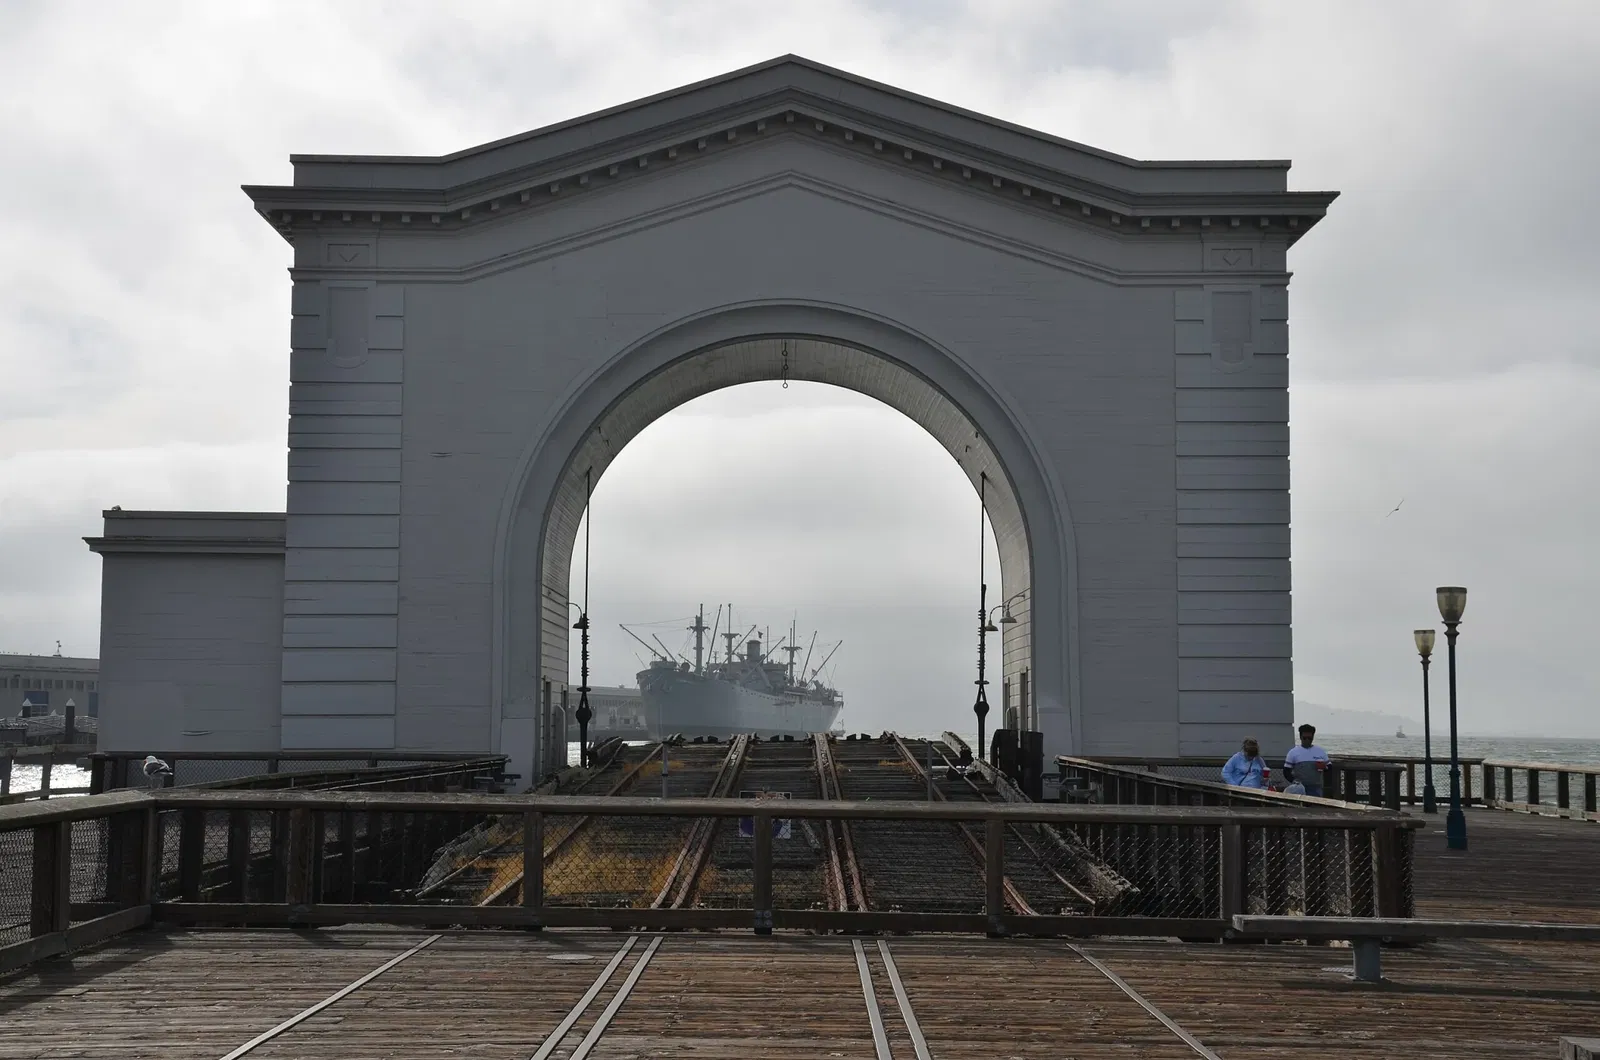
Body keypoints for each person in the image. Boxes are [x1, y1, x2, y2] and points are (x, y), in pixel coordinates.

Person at [1284, 723, 1332, 797]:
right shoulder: (1293, 752)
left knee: (1315, 807)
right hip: (1299, 788)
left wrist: (1325, 767)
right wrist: (1294, 781)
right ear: (1300, 737)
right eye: (1304, 738)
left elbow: (1330, 768)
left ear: (1313, 737)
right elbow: (1286, 771)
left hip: (1316, 788)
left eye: (1310, 738)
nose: (1307, 740)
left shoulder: (1320, 751)